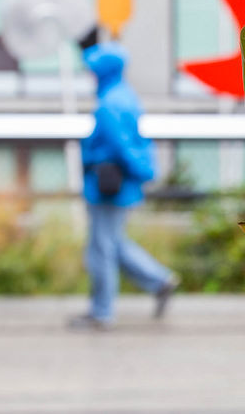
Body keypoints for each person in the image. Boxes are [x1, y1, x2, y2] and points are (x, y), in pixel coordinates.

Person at [69, 39, 178, 330]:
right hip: (118, 185)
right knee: (113, 244)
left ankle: (102, 311)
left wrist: (142, 171)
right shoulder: (123, 96)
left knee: (102, 248)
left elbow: (122, 146)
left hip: (108, 187)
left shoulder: (110, 104)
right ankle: (159, 280)